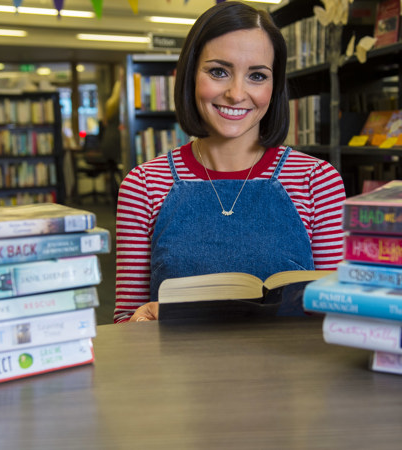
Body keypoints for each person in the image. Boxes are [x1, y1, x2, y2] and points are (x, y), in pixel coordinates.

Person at [114, 1, 345, 323]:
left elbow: (340, 309)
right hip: (177, 370)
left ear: (275, 86)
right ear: (190, 74)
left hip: (289, 369)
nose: (237, 94)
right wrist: (139, 322)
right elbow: (126, 316)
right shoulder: (143, 185)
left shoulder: (317, 180)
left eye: (257, 76)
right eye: (218, 72)